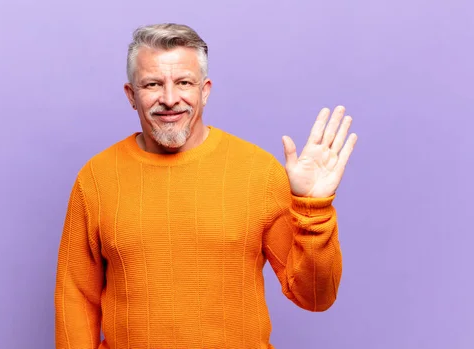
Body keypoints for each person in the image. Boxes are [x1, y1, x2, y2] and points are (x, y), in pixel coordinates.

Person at [54, 23, 357, 349]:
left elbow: (314, 296)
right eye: (153, 84)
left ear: (205, 90)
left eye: (184, 82)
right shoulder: (97, 178)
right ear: (131, 95)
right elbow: (75, 296)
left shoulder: (259, 172)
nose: (170, 99)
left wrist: (314, 208)